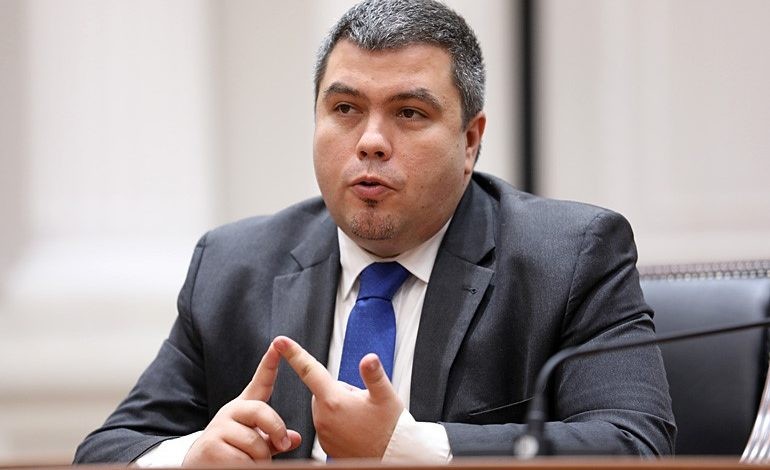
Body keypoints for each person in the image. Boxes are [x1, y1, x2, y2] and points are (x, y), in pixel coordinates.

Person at [74, 0, 675, 465]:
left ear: (470, 141)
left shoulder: (571, 257)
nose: (370, 141)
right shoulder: (234, 266)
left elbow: (635, 444)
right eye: (345, 109)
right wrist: (191, 455)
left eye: (409, 113)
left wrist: (413, 448)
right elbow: (106, 451)